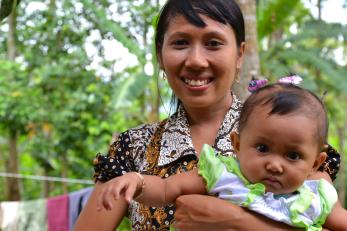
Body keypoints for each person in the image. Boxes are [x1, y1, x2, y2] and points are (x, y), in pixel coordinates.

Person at [74, 0, 342, 230]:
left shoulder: (290, 139)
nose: (196, 60)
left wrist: (238, 221)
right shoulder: (132, 148)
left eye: (213, 43)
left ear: (239, 53)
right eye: (180, 43)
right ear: (160, 54)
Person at [95, 82, 347, 230]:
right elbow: (163, 190)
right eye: (262, 148)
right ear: (236, 145)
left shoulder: (316, 196)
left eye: (292, 155)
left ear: (315, 162)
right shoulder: (221, 174)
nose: (274, 164)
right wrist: (136, 181)